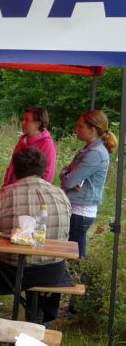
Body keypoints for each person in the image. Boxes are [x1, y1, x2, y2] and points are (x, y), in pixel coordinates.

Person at [0, 145, 73, 321]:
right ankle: (41, 314)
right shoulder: (61, 195)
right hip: (53, 271)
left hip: (12, 272)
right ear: (43, 169)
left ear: (15, 169)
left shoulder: (2, 195)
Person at [59, 109, 116, 258]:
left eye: (80, 126)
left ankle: (79, 273)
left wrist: (68, 176)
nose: (76, 129)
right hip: (76, 207)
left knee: (75, 256)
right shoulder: (87, 149)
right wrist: (67, 174)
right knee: (71, 253)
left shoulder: (95, 153)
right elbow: (65, 172)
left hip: (80, 210)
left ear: (92, 130)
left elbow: (69, 181)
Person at [3, 107, 56, 185]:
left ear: (38, 123)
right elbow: (11, 166)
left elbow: (47, 175)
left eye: (27, 120)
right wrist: (5, 184)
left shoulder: (47, 143)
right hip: (13, 188)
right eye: (23, 119)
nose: (23, 122)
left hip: (31, 190)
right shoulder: (22, 140)